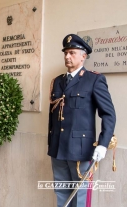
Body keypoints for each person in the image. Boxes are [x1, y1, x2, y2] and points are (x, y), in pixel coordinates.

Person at [48, 34, 116, 207]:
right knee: (62, 191)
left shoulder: (93, 80)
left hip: (81, 149)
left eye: (71, 52)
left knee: (80, 195)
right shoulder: (57, 81)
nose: (67, 56)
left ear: (83, 56)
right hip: (58, 148)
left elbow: (108, 113)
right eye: (65, 53)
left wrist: (103, 143)